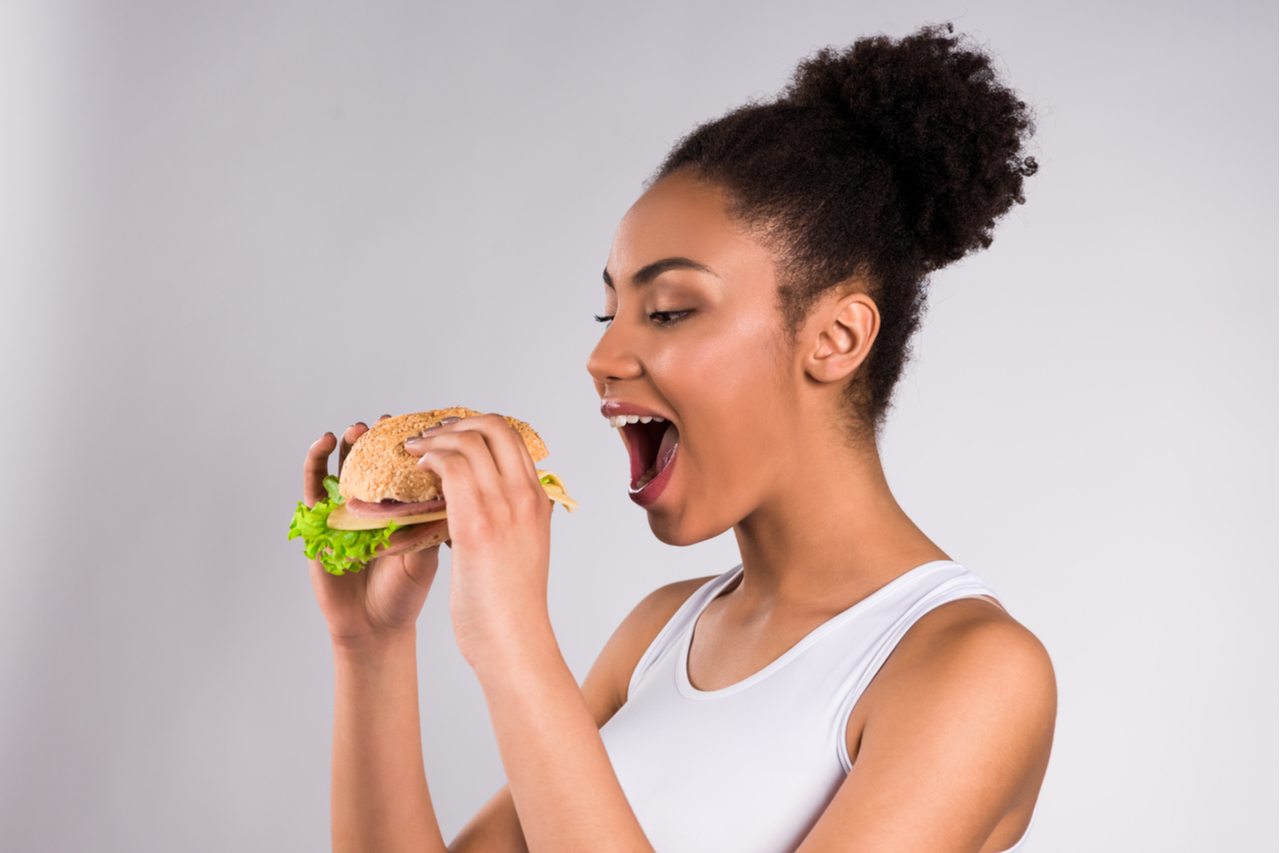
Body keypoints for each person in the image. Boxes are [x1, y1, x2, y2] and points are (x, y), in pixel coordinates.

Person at [300, 23, 1056, 853]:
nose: (601, 355)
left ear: (836, 337)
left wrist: (513, 645)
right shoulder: (658, 634)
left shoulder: (974, 669)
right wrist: (370, 647)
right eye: (609, 310)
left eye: (668, 310)